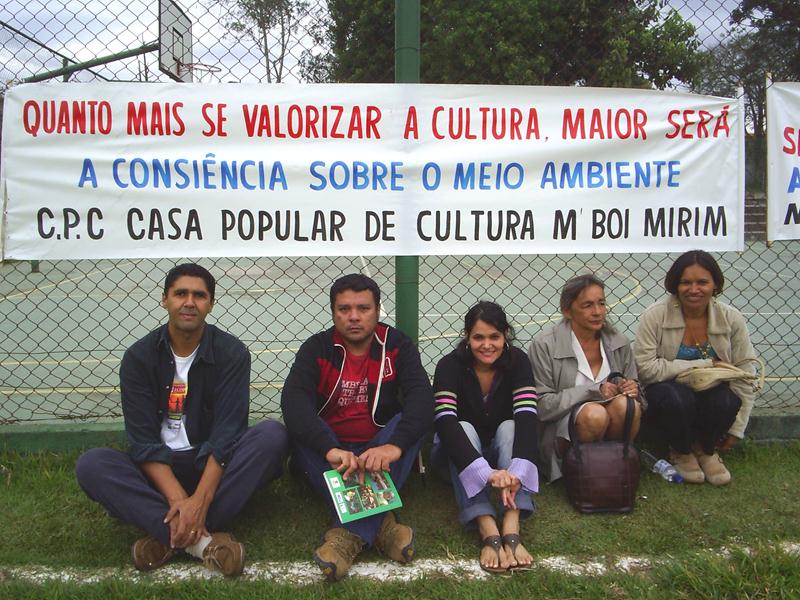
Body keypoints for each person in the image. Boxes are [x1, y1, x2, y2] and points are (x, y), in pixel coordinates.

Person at [75, 263, 288, 576]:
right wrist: (180, 500)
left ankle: (165, 533)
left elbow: (227, 435)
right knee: (92, 465)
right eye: (181, 294)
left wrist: (199, 499)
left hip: (210, 465)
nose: (189, 302)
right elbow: (143, 442)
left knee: (272, 436)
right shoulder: (139, 357)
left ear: (210, 304)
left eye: (199, 295)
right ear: (165, 300)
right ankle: (202, 543)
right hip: (159, 470)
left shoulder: (232, 353)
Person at [281, 273, 433, 582]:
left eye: (363, 308)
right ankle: (383, 526)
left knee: (409, 425)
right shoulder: (317, 348)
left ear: (378, 310)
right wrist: (330, 448)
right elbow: (293, 402)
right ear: (333, 312)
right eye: (344, 309)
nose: (353, 317)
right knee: (301, 431)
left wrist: (392, 446)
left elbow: (421, 398)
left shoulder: (397, 346)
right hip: (333, 449)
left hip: (379, 446)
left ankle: (348, 536)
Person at [432, 301, 539, 573]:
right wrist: (484, 472)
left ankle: (511, 526)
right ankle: (486, 526)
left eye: (495, 337)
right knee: (462, 427)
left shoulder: (519, 362)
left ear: (505, 336)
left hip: (503, 451)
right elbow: (445, 423)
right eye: (478, 337)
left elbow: (527, 415)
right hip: (458, 455)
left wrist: (518, 469)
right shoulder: (449, 366)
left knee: (511, 426)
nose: (487, 345)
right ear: (466, 337)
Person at [635, 250, 757, 485]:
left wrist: (737, 429)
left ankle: (706, 448)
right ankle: (680, 450)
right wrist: (706, 363)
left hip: (710, 395)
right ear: (675, 285)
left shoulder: (731, 319)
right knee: (675, 397)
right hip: (667, 396)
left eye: (702, 282)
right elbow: (646, 370)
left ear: (715, 285)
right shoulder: (654, 316)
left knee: (727, 399)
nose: (694, 289)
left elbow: (745, 374)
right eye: (686, 282)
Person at [529, 274, 641, 483]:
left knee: (628, 406)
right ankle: (579, 473)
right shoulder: (544, 345)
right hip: (563, 425)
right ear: (567, 310)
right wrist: (593, 391)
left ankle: (615, 466)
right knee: (594, 414)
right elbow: (542, 406)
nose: (598, 312)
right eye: (587, 305)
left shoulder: (619, 342)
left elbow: (639, 392)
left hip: (611, 418)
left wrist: (632, 388)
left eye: (601, 303)